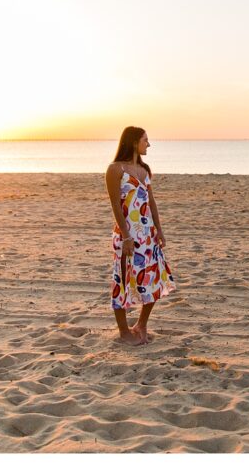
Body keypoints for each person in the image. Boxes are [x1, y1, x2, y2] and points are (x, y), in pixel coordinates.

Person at [105, 126, 176, 345]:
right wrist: (126, 236)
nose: (149, 144)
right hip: (127, 235)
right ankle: (124, 331)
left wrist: (159, 230)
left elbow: (151, 203)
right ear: (134, 142)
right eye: (145, 140)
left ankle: (142, 324)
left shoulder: (144, 170)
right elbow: (115, 204)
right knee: (123, 280)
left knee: (153, 279)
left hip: (148, 236)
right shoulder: (115, 169)